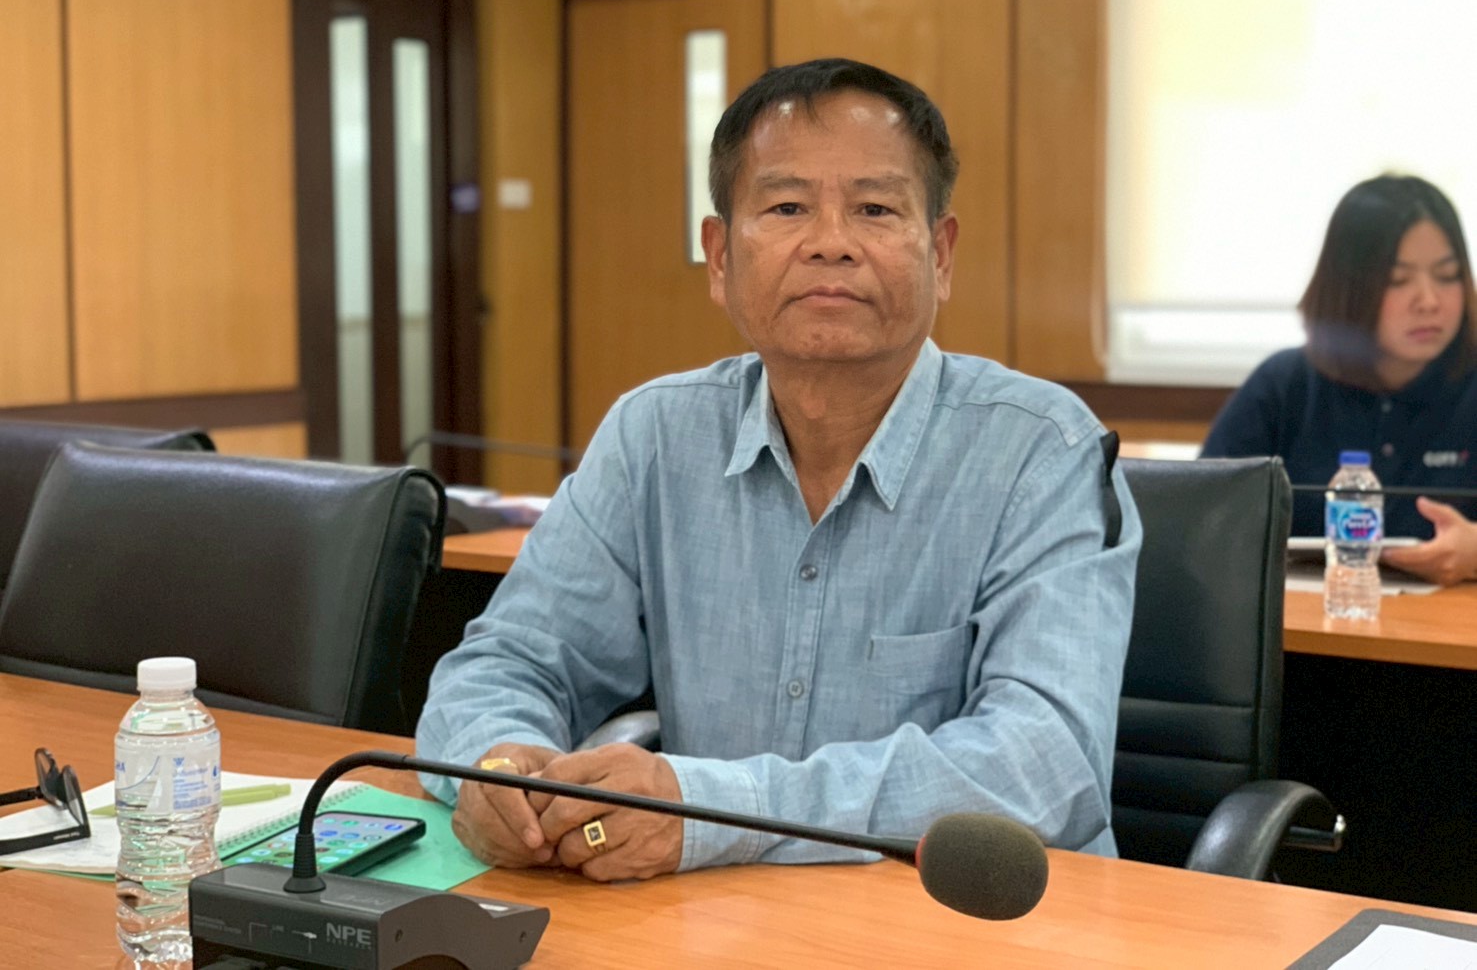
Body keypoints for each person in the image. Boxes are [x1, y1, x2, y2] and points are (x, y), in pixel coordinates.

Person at [416, 58, 1140, 882]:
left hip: (969, 920)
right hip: (711, 916)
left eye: (874, 209)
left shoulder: (1042, 451)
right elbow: (509, 662)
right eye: (787, 207)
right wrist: (496, 770)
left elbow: (1043, 765)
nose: (830, 243)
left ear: (940, 255)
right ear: (719, 256)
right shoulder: (655, 435)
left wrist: (711, 809)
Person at [1202, 174, 1477, 585]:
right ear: (1346, 288)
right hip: (1304, 620)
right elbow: (1202, 520)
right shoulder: (1284, 385)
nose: (1429, 301)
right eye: (1397, 280)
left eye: (1447, 275)